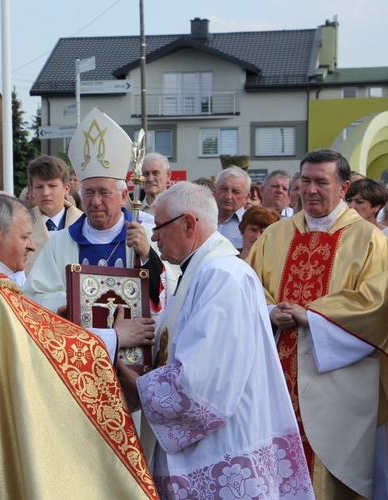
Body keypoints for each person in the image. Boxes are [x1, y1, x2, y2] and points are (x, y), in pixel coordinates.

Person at [0, 195, 157, 499]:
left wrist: (56, 320)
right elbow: (39, 352)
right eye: (24, 236)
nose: (32, 245)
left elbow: (25, 336)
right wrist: (114, 337)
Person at [117, 182, 313, 499]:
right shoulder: (199, 272)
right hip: (203, 448)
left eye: (160, 227)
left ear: (189, 224)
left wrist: (139, 386)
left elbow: (202, 383)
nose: (153, 237)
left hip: (220, 450)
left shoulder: (220, 276)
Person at [247, 149, 388, 499]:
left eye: (322, 182)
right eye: (305, 181)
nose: (312, 190)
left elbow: (377, 305)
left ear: (344, 186)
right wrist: (268, 311)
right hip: (277, 376)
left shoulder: (369, 239)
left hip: (339, 385)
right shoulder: (275, 235)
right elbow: (247, 289)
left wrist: (313, 316)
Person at [24, 108, 172, 351]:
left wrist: (147, 256)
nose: (95, 202)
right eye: (89, 192)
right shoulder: (61, 243)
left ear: (123, 195)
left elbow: (169, 296)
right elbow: (33, 298)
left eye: (104, 192)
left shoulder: (146, 236)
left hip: (137, 350)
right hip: (79, 353)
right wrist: (74, 299)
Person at [24, 155, 83, 275]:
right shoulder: (21, 225)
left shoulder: (83, 223)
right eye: (39, 187)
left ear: (66, 188)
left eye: (52, 186)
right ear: (31, 191)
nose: (45, 193)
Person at [345, 178, 388, 267]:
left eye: (359, 202)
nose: (352, 206)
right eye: (349, 201)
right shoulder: (341, 231)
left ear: (376, 207)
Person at [214, 165, 250, 248]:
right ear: (215, 190)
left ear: (246, 197)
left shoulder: (251, 224)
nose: (228, 196)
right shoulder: (201, 219)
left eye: (236, 191)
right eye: (224, 189)